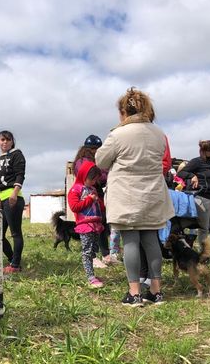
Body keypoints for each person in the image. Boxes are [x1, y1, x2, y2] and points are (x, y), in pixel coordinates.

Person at [96, 87, 174, 306]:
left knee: (130, 241)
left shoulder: (118, 134)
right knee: (151, 240)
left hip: (127, 195)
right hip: (153, 194)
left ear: (123, 111)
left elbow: (101, 161)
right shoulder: (159, 133)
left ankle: (134, 293)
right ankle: (156, 291)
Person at [179, 140, 210, 264]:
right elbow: (181, 173)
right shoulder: (196, 162)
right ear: (205, 151)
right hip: (203, 199)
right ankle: (204, 256)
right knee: (204, 229)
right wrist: (192, 176)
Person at [72, 135, 112, 268]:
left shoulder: (95, 160)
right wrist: (106, 175)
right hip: (87, 195)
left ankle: (105, 255)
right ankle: (92, 257)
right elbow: (96, 176)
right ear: (89, 149)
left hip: (97, 194)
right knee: (90, 227)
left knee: (101, 225)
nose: (97, 151)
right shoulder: (83, 162)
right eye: (95, 149)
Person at [67, 161, 106, 288]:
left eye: (96, 180)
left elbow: (99, 206)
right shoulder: (75, 189)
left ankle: (92, 274)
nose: (94, 182)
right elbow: (74, 207)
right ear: (84, 175)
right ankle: (90, 277)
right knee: (87, 252)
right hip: (85, 225)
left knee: (94, 251)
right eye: (92, 179)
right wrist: (89, 199)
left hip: (96, 225)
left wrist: (99, 202)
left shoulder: (92, 189)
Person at [0, 130, 26, 274]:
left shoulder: (16, 154)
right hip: (0, 200)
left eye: (8, 139)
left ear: (12, 141)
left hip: (13, 197)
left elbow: (20, 174)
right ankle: (13, 259)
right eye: (2, 139)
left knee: (15, 233)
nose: (5, 142)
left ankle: (15, 265)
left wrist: (14, 193)